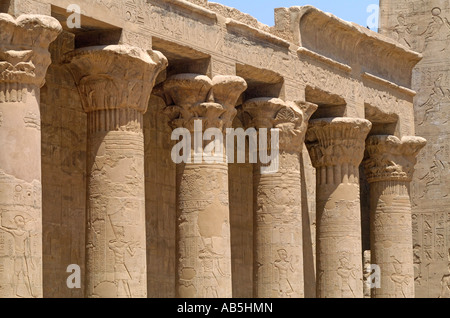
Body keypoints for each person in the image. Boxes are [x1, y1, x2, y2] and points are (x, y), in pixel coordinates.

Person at [0, 215, 35, 297]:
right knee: (16, 273)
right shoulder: (15, 232)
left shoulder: (25, 234)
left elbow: (28, 249)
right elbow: (5, 229)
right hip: (18, 256)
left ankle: (29, 293)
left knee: (25, 274)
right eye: (21, 221)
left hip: (22, 256)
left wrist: (31, 261)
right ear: (17, 223)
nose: (23, 222)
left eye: (23, 221)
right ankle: (14, 293)